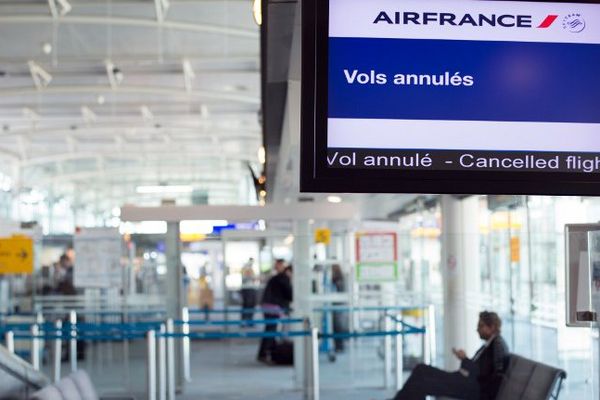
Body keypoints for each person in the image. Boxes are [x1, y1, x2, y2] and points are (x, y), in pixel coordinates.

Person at [392, 311, 509, 400]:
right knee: (421, 369)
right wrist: (465, 360)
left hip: (470, 387)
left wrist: (465, 360)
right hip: (464, 380)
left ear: (492, 327)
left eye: (481, 326)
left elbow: (486, 376)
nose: (477, 329)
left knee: (422, 383)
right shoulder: (491, 344)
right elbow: (479, 370)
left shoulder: (496, 345)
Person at [257, 259, 292, 363]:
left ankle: (266, 352)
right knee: (271, 329)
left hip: (267, 305)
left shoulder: (276, 278)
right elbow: (289, 294)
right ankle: (265, 353)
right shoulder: (283, 278)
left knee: (270, 329)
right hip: (273, 306)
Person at [331, 264, 348, 352]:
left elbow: (338, 291)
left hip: (338, 305)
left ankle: (339, 346)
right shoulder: (339, 277)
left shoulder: (338, 278)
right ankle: (339, 346)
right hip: (338, 305)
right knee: (338, 326)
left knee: (337, 326)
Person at [240, 257, 258, 325]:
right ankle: (244, 321)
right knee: (246, 305)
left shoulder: (251, 269)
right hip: (247, 289)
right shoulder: (245, 268)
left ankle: (250, 321)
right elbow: (246, 277)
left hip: (251, 289)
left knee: (252, 305)